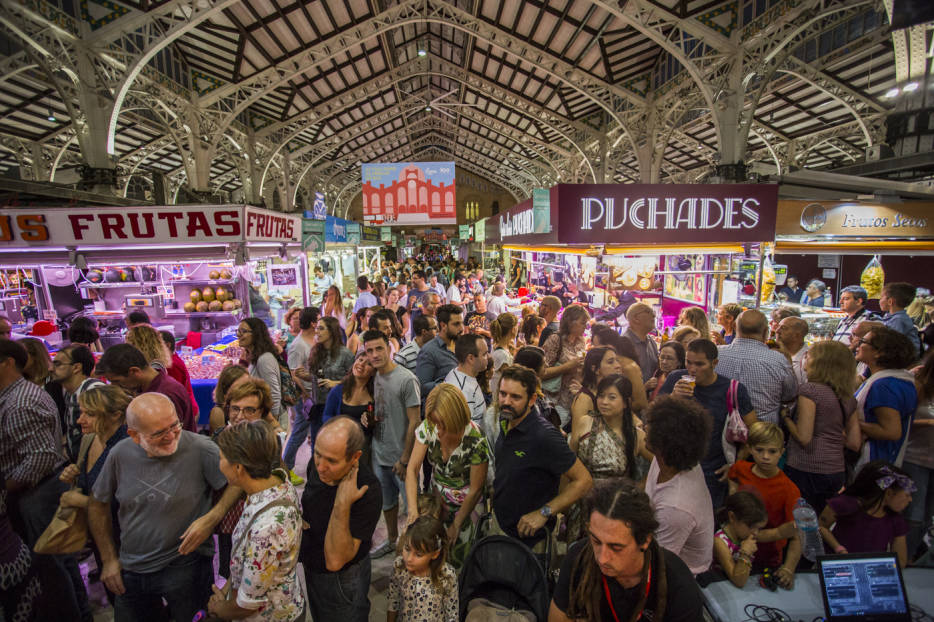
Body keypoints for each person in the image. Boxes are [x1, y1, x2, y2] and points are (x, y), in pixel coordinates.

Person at [89, 392, 241, 622]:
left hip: (186, 566)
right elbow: (97, 505)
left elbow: (238, 482)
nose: (171, 436)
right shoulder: (120, 454)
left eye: (175, 426)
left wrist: (212, 517)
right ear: (134, 435)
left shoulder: (200, 448)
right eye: (159, 433)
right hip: (132, 568)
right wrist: (109, 559)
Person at [0, 339, 89, 620]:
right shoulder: (19, 394)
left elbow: (39, 457)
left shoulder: (20, 402)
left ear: (8, 363)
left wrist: (6, 487)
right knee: (59, 561)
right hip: (41, 488)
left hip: (37, 491)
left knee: (49, 566)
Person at [549, 479, 704, 622]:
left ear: (644, 540)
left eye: (616, 547)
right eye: (596, 541)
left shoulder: (678, 586)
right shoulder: (579, 557)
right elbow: (558, 617)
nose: (602, 558)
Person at [209, 421, 304, 621]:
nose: (219, 464)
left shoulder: (266, 529)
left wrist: (219, 609)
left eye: (221, 458)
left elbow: (248, 605)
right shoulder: (278, 481)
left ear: (238, 468)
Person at [493, 364, 593, 553]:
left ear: (532, 400)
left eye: (515, 397)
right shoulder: (506, 420)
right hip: (501, 529)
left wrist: (544, 512)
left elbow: (584, 481)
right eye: (503, 394)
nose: (506, 401)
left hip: (531, 542)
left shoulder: (544, 436)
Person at [658, 339, 757, 509]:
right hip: (676, 468)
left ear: (714, 363)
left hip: (712, 473)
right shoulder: (676, 378)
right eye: (689, 362)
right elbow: (653, 415)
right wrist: (673, 398)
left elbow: (754, 430)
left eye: (700, 364)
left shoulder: (733, 389)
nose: (692, 369)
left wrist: (735, 465)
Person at [301, 416, 381, 621]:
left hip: (342, 582)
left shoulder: (367, 490)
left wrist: (342, 502)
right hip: (313, 570)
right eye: (318, 454)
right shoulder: (318, 466)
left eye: (332, 461)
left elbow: (335, 560)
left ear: (355, 457)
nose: (320, 467)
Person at [404, 384, 490, 568]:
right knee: (429, 557)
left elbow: (475, 489)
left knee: (459, 560)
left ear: (457, 419)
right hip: (437, 501)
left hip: (467, 506)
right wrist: (412, 509)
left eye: (445, 425)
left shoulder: (476, 439)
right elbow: (412, 470)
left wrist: (457, 524)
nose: (439, 431)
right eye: (436, 424)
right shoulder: (429, 426)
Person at [568, 374, 650, 542]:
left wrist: (638, 489)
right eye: (601, 396)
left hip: (614, 509)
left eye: (612, 397)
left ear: (626, 402)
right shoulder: (586, 422)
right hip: (581, 503)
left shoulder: (636, 436)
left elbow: (661, 463)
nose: (604, 402)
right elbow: (569, 461)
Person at [363, 329, 421, 558]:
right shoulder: (372, 377)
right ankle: (391, 540)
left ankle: (412, 552)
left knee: (412, 509)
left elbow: (415, 421)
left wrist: (405, 458)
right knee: (387, 503)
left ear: (389, 348)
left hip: (402, 458)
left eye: (379, 348)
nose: (375, 354)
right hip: (380, 453)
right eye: (370, 350)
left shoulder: (406, 379)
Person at [782, 340, 857, 514]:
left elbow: (804, 437)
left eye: (809, 355)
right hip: (836, 470)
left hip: (806, 468)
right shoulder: (849, 398)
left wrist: (785, 417)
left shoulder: (810, 391)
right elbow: (854, 442)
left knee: (800, 520)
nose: (805, 357)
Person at [643, 396, 714, 575]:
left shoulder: (675, 507)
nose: (645, 428)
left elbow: (655, 564)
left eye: (651, 426)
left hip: (675, 573)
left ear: (664, 442)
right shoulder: (670, 460)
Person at [727, 422, 801, 587]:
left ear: (781, 452)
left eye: (772, 451)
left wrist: (788, 568)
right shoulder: (741, 468)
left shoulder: (789, 490)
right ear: (750, 448)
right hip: (733, 550)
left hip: (767, 559)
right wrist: (732, 497)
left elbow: (797, 535)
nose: (765, 456)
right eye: (760, 450)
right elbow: (732, 476)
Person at [818, 461, 913, 567]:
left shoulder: (896, 520)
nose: (910, 500)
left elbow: (900, 561)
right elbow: (820, 527)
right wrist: (838, 548)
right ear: (889, 493)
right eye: (907, 495)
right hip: (838, 565)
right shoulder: (846, 504)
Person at [716, 309, 797, 424]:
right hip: (762, 433)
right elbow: (790, 395)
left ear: (735, 326)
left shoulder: (715, 355)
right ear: (765, 332)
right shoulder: (778, 360)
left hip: (720, 428)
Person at [97, 343, 198, 432]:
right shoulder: (146, 388)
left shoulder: (166, 393)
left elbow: (170, 440)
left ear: (134, 371)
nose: (114, 386)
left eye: (117, 381)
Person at [853, 326, 918, 465]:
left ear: (879, 352)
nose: (857, 345)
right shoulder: (894, 380)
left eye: (863, 341)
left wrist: (852, 422)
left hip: (874, 459)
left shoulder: (884, 385)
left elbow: (891, 432)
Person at [387, 515, 458, 622]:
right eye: (407, 548)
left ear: (435, 554)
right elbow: (393, 602)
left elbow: (452, 615)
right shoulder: (399, 567)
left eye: (418, 554)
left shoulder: (446, 575)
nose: (409, 558)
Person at [904, 352, 934, 559]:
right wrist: (929, 423)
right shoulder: (917, 385)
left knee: (926, 516)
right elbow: (901, 421)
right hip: (915, 459)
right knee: (913, 514)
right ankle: (904, 558)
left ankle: (913, 556)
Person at [52, 344, 103, 462]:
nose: (51, 369)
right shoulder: (69, 393)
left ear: (76, 367)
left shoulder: (93, 390)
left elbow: (104, 435)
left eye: (58, 364)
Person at [542, 304, 589, 425]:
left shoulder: (581, 341)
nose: (585, 326)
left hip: (573, 398)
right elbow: (541, 372)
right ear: (570, 322)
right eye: (583, 323)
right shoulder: (555, 339)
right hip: (555, 400)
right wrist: (567, 366)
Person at [712, 490, 768, 588]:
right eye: (751, 526)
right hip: (719, 586)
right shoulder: (719, 542)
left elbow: (778, 533)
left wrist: (794, 526)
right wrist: (745, 554)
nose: (755, 533)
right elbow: (739, 581)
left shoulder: (745, 534)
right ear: (732, 517)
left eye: (759, 528)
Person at [237, 317, 286, 428]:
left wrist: (272, 421)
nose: (239, 335)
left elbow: (274, 394)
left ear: (256, 334)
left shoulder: (264, 359)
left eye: (243, 331)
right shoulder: (253, 357)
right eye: (238, 331)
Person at [415, 304, 462, 398]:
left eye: (462, 323)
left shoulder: (462, 345)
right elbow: (422, 387)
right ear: (443, 325)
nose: (461, 328)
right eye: (456, 324)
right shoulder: (429, 351)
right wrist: (448, 384)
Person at [444, 333, 489, 427]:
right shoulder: (464, 391)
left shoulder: (457, 373)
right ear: (471, 358)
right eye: (484, 354)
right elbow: (464, 432)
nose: (488, 357)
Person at [881, 282, 922, 357]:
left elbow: (892, 343)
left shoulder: (899, 320)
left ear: (890, 301)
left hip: (905, 359)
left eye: (881, 297)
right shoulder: (890, 317)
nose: (879, 300)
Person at [624, 302, 659, 382]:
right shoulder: (624, 344)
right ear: (636, 318)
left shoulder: (651, 341)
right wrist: (643, 387)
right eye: (648, 312)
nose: (654, 316)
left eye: (653, 312)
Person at [209, 364, 250, 433]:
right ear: (225, 390)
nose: (245, 391)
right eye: (240, 387)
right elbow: (221, 441)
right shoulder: (218, 412)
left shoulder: (254, 408)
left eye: (248, 386)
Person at [489, 313, 518, 400]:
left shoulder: (500, 346)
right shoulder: (502, 355)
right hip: (500, 398)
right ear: (513, 329)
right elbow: (511, 378)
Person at [776, 316, 809, 386]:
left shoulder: (809, 360)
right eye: (778, 326)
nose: (777, 331)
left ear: (797, 335)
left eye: (783, 328)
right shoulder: (774, 353)